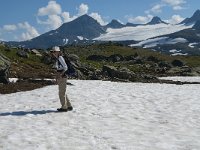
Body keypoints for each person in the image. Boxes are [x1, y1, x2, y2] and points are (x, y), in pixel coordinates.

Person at [50, 46, 73, 112]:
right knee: (63, 92)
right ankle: (69, 106)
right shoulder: (57, 58)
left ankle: (64, 107)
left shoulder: (60, 58)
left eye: (54, 51)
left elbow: (65, 67)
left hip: (63, 76)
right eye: (52, 51)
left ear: (58, 52)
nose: (53, 53)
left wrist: (60, 75)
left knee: (61, 93)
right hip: (61, 76)